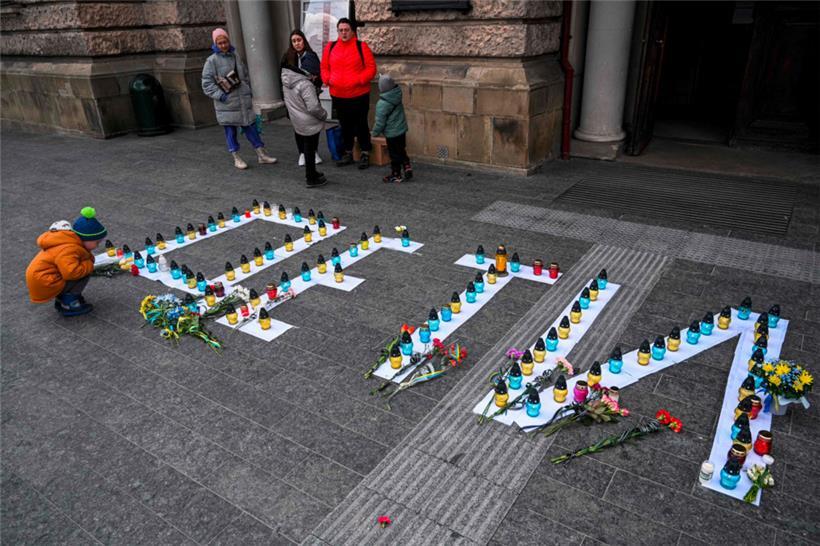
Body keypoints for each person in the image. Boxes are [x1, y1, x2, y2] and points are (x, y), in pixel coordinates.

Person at [202, 28, 277, 170]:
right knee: (231, 131)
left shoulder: (235, 55)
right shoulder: (211, 61)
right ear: (215, 44)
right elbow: (206, 84)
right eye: (220, 43)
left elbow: (244, 74)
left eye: (225, 42)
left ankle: (261, 154)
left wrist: (247, 88)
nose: (223, 45)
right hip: (227, 104)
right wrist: (221, 95)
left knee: (251, 127)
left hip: (242, 100)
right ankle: (236, 157)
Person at [26, 207, 106, 317]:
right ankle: (69, 303)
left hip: (44, 278)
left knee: (81, 269)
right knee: (83, 273)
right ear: (85, 239)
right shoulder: (69, 249)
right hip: (45, 282)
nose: (98, 245)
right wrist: (89, 264)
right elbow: (72, 273)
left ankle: (63, 298)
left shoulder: (70, 242)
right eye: (96, 242)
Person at [320, 18, 377, 169]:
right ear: (337, 31)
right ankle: (348, 152)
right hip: (338, 95)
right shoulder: (331, 47)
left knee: (361, 124)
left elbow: (371, 68)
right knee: (345, 125)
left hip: (359, 94)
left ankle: (365, 152)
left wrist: (359, 79)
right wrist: (328, 79)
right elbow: (324, 67)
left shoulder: (361, 46)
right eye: (341, 30)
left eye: (346, 30)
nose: (344, 33)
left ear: (352, 31)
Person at [282, 41, 329, 188]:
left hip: (298, 119)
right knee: (310, 149)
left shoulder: (286, 80)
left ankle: (312, 173)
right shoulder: (304, 83)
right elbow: (314, 107)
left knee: (307, 149)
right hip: (309, 120)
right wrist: (324, 114)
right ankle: (311, 177)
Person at [372, 74, 412, 183]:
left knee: (394, 155)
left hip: (392, 133)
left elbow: (380, 122)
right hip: (401, 130)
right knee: (401, 149)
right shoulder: (397, 95)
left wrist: (374, 133)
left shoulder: (382, 104)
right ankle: (407, 165)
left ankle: (396, 174)